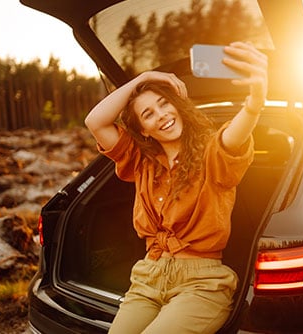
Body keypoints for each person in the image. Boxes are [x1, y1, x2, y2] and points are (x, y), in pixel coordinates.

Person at [84, 41, 267, 334]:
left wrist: (255, 103)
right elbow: (95, 121)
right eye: (148, 114)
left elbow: (234, 136)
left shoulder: (211, 153)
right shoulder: (141, 160)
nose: (162, 115)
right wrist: (143, 78)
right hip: (148, 277)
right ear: (143, 129)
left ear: (177, 105)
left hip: (203, 283)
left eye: (164, 104)